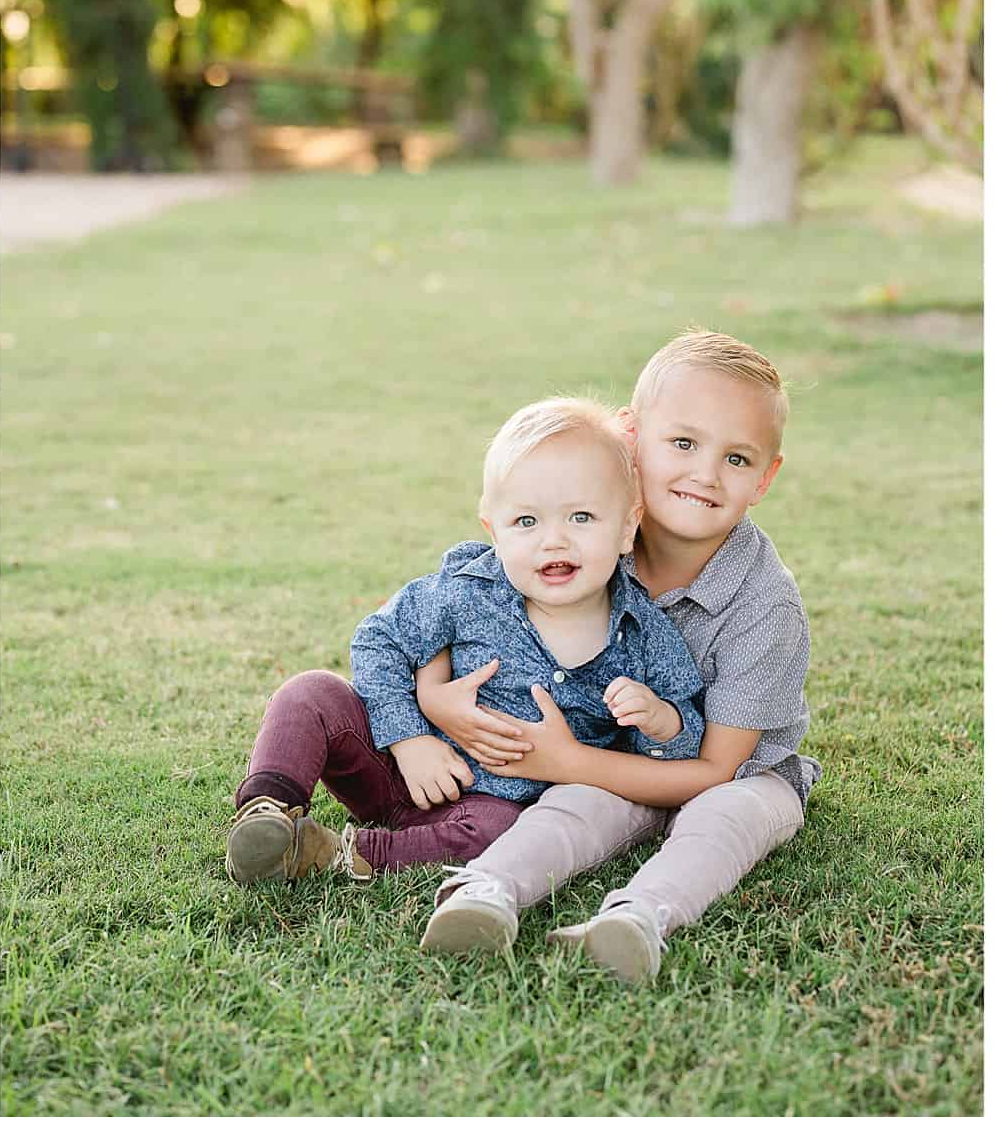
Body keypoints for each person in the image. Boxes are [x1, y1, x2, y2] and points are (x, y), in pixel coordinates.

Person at [419, 330, 816, 984]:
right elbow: (465, 598)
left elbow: (716, 769)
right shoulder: (590, 532)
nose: (706, 473)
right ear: (631, 438)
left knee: (725, 817)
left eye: (736, 458)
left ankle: (639, 918)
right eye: (683, 443)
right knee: (575, 805)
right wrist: (436, 696)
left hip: (740, 775)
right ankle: (485, 891)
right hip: (614, 756)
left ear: (765, 478)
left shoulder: (765, 606)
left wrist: (568, 760)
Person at [226, 397, 705, 887]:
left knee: (503, 832)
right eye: (527, 521)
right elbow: (379, 641)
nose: (554, 540)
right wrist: (410, 740)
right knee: (311, 693)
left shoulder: (643, 634)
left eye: (581, 517)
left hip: (483, 804)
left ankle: (337, 854)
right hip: (389, 765)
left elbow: (686, 740)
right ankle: (267, 811)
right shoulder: (469, 590)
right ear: (493, 529)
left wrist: (661, 721)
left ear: (627, 526)